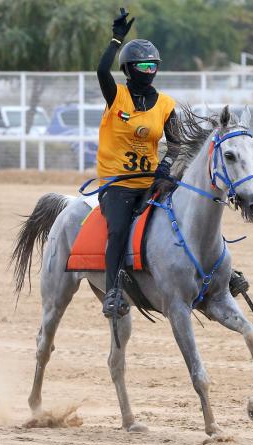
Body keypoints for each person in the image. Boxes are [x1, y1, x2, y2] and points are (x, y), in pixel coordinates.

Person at [96, 8, 180, 318]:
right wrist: (116, 38)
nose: (149, 69)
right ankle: (113, 291)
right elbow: (101, 71)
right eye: (143, 65)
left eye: (153, 65)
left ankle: (219, 272)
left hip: (152, 182)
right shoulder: (115, 96)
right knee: (118, 230)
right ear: (130, 69)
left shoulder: (167, 104)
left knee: (190, 214)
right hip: (117, 185)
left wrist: (166, 167)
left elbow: (177, 144)